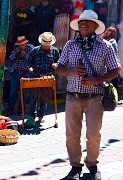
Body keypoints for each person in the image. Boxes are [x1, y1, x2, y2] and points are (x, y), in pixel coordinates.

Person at [56, 10, 121, 179]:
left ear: (95, 26)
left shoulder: (104, 46)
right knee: (72, 136)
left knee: (93, 135)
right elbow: (60, 68)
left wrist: (96, 79)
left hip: (95, 99)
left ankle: (92, 164)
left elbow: (116, 69)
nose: (82, 24)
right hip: (72, 97)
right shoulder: (71, 45)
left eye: (87, 22)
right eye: (80, 22)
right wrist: (72, 70)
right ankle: (75, 166)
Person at [27, 32, 60, 123]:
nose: (46, 46)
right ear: (41, 43)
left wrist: (56, 65)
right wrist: (30, 68)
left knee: (45, 98)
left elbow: (59, 61)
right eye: (45, 44)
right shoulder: (35, 50)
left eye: (48, 45)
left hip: (48, 77)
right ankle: (31, 117)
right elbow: (28, 61)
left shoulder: (55, 51)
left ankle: (41, 116)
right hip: (35, 76)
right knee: (33, 98)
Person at [7, 36, 34, 116]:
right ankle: (10, 109)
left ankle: (21, 109)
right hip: (16, 72)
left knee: (25, 92)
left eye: (22, 44)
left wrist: (25, 55)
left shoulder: (31, 48)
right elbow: (10, 59)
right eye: (20, 45)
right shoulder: (16, 50)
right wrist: (16, 53)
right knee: (13, 91)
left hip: (26, 72)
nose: (21, 46)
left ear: (25, 44)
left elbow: (32, 59)